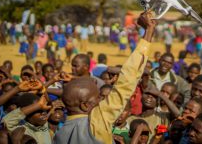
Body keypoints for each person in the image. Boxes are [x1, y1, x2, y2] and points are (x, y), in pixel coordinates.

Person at [53, 11, 156, 144]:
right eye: (97, 98)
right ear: (85, 105)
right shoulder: (96, 120)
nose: (101, 101)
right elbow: (126, 82)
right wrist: (148, 31)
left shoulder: (60, 134)